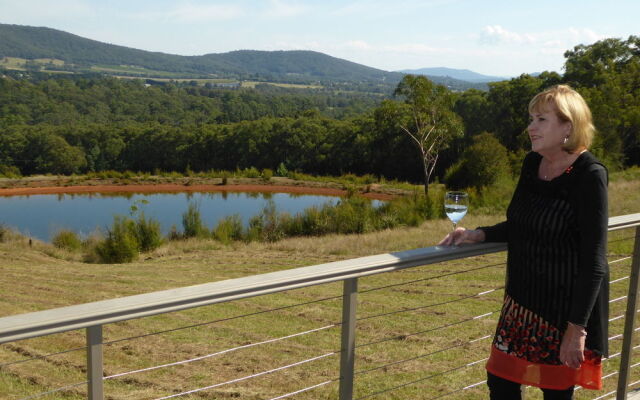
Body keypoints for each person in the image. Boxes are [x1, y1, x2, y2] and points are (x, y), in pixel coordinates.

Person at [439, 85, 608, 399]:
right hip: (521, 306)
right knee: (500, 382)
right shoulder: (533, 164)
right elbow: (521, 224)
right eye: (531, 118)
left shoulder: (589, 175)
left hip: (563, 314)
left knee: (555, 392)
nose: (530, 127)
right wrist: (479, 234)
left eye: (541, 119)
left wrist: (576, 329)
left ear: (568, 126)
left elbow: (594, 259)